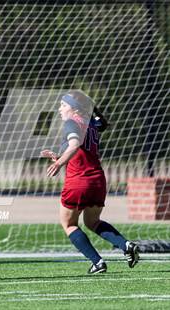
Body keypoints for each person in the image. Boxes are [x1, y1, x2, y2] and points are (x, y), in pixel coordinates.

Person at [41, 90, 139, 274]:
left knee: (69, 224)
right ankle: (126, 245)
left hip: (78, 181)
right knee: (93, 222)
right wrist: (59, 156)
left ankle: (97, 262)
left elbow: (75, 145)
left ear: (75, 110)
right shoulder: (92, 124)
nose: (59, 108)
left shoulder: (72, 122)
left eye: (63, 105)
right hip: (98, 181)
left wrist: (60, 163)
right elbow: (98, 127)